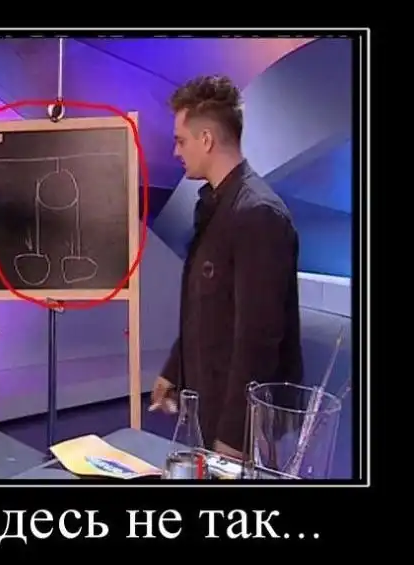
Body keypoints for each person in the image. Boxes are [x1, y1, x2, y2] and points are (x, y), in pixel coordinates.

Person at [151, 75, 303, 459]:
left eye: (180, 140)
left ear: (206, 140)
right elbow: (205, 310)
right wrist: (174, 369)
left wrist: (235, 436)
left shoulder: (258, 215)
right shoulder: (216, 207)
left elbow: (259, 338)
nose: (175, 151)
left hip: (241, 426)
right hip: (209, 405)